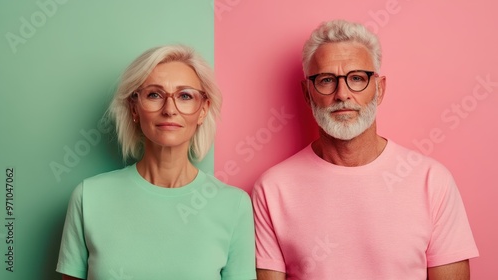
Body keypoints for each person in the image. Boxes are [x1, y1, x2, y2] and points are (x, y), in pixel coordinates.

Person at [252, 20, 479, 280]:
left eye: (357, 78)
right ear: (307, 93)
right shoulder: (272, 189)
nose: (342, 94)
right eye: (326, 80)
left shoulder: (432, 181)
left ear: (379, 89)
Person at [56, 45, 256, 280]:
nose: (170, 109)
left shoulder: (234, 205)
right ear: (134, 107)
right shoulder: (88, 197)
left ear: (203, 110)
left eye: (185, 96)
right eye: (154, 94)